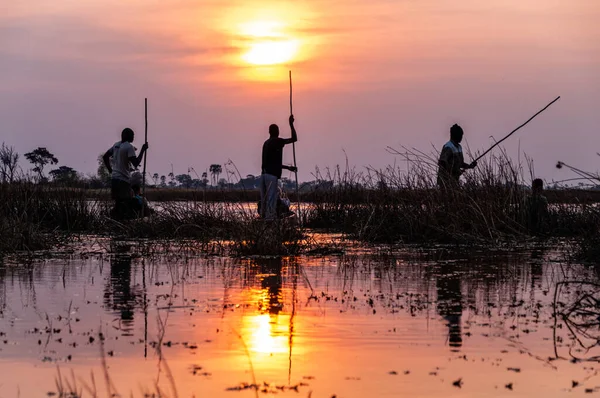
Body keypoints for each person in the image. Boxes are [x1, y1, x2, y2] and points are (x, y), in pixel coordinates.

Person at [103, 128, 148, 219]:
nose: (133, 137)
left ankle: (115, 220)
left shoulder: (116, 145)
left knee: (118, 202)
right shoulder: (129, 147)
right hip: (123, 180)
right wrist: (143, 150)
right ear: (127, 136)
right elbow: (136, 163)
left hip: (114, 179)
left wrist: (111, 170)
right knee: (126, 202)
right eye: (132, 135)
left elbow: (105, 157)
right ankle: (124, 221)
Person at [260, 115, 298, 220]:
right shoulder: (277, 141)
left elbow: (272, 163)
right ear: (276, 132)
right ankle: (270, 219)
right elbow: (294, 138)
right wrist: (291, 124)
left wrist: (288, 168)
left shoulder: (266, 143)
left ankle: (264, 218)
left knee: (264, 200)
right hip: (271, 176)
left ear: (269, 132)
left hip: (263, 175)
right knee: (271, 199)